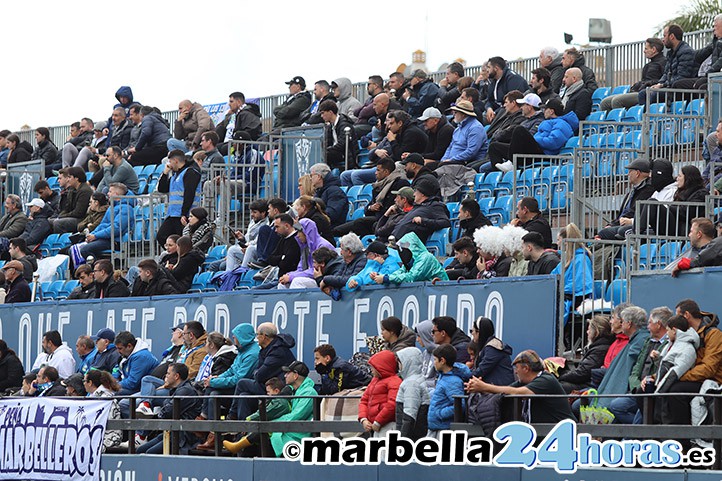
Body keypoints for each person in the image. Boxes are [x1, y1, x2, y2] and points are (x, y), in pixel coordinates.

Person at [658, 299, 722, 426]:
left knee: (676, 390)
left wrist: (678, 376)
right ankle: (655, 434)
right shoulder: (685, 335)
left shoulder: (714, 335)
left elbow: (709, 368)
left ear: (686, 315)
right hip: (691, 378)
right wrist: (654, 378)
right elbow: (673, 362)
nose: (675, 318)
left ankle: (681, 438)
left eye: (677, 315)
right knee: (647, 389)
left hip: (712, 381)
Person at [469, 349, 577, 423]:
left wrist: (484, 386)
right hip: (545, 434)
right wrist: (480, 388)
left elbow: (519, 393)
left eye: (517, 368)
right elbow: (506, 391)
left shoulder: (546, 379)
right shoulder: (524, 382)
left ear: (526, 369)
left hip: (564, 433)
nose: (515, 372)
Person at [227, 322, 295, 421]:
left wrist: (257, 373)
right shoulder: (267, 349)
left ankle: (231, 416)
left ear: (264, 336)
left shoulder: (277, 352)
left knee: (242, 383)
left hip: (276, 390)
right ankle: (243, 431)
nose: (256, 337)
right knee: (244, 397)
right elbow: (259, 372)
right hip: (266, 384)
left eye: (258, 334)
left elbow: (259, 375)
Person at [136, 363, 202, 454]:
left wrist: (158, 414)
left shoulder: (186, 391)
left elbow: (168, 412)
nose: (165, 377)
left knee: (149, 453)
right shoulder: (177, 390)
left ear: (176, 376)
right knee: (140, 450)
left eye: (168, 374)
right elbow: (166, 409)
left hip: (182, 437)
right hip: (170, 432)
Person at [202, 323, 260, 424]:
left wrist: (214, 382)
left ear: (242, 337)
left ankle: (209, 425)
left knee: (213, 392)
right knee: (213, 394)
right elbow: (231, 370)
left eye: (235, 337)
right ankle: (211, 429)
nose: (233, 340)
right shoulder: (243, 351)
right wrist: (217, 378)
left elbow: (238, 379)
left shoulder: (252, 354)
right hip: (234, 388)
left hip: (241, 389)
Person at [221, 377, 293, 454]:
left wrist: (248, 420)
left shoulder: (280, 402)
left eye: (268, 392)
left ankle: (237, 447)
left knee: (255, 431)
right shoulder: (278, 401)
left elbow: (263, 413)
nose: (267, 394)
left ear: (276, 391)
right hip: (271, 429)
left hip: (274, 431)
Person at [69, 183, 134, 265]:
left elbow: (116, 228)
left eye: (110, 191)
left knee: (85, 250)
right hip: (104, 238)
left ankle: (98, 269)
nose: (108, 194)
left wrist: (96, 236)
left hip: (115, 241)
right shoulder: (111, 208)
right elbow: (102, 225)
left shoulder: (126, 208)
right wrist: (91, 235)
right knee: (72, 249)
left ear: (116, 195)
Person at [600, 38, 666, 111]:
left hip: (647, 93)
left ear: (653, 49)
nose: (644, 51)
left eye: (646, 49)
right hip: (640, 91)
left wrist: (647, 84)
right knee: (605, 102)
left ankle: (623, 121)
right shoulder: (649, 65)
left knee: (617, 101)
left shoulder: (663, 62)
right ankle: (609, 122)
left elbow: (663, 80)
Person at [596, 158, 655, 240]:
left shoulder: (647, 190)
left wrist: (613, 225)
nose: (628, 175)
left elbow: (632, 212)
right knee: (599, 235)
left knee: (604, 233)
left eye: (630, 171)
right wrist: (611, 224)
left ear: (637, 173)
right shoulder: (633, 190)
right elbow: (622, 214)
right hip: (622, 223)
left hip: (629, 225)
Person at [643, 165, 707, 238]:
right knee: (645, 203)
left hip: (683, 229)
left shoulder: (701, 193)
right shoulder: (681, 192)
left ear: (688, 178)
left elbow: (688, 212)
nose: (677, 179)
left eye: (679, 176)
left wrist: (668, 207)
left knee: (652, 202)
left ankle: (637, 231)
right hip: (675, 225)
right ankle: (637, 231)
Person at [641, 24, 696, 105]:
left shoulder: (686, 52)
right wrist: (659, 84)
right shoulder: (670, 53)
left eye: (664, 36)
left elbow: (682, 76)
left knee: (652, 95)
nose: (663, 40)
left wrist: (663, 85)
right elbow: (666, 73)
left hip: (678, 90)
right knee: (643, 93)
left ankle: (649, 117)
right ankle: (645, 117)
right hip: (669, 87)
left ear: (672, 36)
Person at [156, 149, 202, 246]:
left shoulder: (190, 172)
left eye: (170, 161)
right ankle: (175, 256)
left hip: (184, 214)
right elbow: (162, 188)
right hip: (172, 214)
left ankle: (180, 258)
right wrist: (165, 173)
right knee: (161, 236)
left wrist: (184, 214)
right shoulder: (175, 174)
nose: (169, 164)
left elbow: (189, 194)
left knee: (183, 241)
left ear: (176, 161)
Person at [558, 316, 614, 393]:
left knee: (557, 386)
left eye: (589, 329)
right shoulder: (600, 347)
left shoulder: (599, 349)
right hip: (588, 382)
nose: (587, 332)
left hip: (588, 385)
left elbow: (583, 374)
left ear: (596, 332)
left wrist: (560, 376)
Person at [552, 223, 593, 323]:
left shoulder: (581, 259)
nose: (557, 244)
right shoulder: (565, 261)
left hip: (575, 301)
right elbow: (552, 277)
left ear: (566, 242)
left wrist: (560, 291)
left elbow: (581, 286)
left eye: (558, 240)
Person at [371, 232, 448, 285]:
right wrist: (380, 276)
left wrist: (386, 279)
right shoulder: (410, 262)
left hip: (441, 291)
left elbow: (411, 277)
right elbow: (398, 273)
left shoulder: (426, 258)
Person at [427, 344, 471, 436]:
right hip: (436, 427)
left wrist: (440, 414)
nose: (434, 362)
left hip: (443, 430)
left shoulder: (453, 381)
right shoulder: (442, 377)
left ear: (442, 361)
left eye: (435, 359)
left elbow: (459, 405)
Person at [358, 350, 402, 437]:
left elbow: (392, 404)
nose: (371, 370)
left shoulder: (394, 381)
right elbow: (364, 400)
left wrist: (378, 422)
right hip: (375, 426)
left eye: (373, 367)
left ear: (381, 367)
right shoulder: (374, 380)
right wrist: (363, 419)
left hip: (387, 426)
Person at [395, 347, 430, 440]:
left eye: (400, 362)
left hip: (411, 437)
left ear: (407, 362)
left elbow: (409, 416)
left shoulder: (411, 383)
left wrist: (402, 440)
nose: (398, 366)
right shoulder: (416, 379)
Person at [84, 369, 123, 452]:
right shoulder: (94, 396)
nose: (83, 384)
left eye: (84, 381)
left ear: (90, 383)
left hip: (109, 438)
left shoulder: (104, 398)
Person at [438, 100, 488, 165]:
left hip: (466, 164)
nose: (453, 115)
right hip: (452, 162)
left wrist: (451, 160)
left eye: (455, 112)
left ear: (463, 114)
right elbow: (450, 147)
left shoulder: (476, 128)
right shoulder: (457, 129)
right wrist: (443, 160)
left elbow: (471, 152)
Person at [469, 316, 514, 386]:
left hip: (500, 392)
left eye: (472, 331)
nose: (472, 333)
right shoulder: (486, 347)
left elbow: (481, 370)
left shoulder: (493, 348)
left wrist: (463, 375)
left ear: (479, 332)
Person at [484, 57, 530, 123]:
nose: (487, 70)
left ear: (496, 68)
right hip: (497, 112)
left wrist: (495, 113)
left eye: (489, 67)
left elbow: (514, 102)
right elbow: (489, 100)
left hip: (509, 114)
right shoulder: (493, 81)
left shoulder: (513, 78)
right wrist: (489, 109)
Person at [114, 330, 160, 395]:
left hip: (143, 390)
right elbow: (117, 369)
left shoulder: (141, 357)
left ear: (129, 346)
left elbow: (132, 383)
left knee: (112, 393)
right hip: (133, 387)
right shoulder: (126, 354)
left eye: (120, 348)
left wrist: (113, 385)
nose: (118, 351)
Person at [318, 99, 358, 170]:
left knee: (323, 154)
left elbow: (342, 145)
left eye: (323, 113)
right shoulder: (330, 126)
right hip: (336, 152)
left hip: (345, 154)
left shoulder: (344, 124)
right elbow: (327, 142)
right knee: (319, 153)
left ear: (330, 112)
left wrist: (327, 150)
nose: (321, 116)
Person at [52, 167, 93, 234]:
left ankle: (67, 241)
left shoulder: (85, 191)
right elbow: (67, 208)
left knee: (58, 223)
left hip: (82, 219)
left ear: (76, 178)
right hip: (73, 216)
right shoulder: (72, 189)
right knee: (49, 221)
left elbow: (79, 213)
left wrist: (63, 216)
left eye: (70, 177)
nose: (68, 180)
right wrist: (60, 215)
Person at [309, 163, 348, 227]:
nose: (310, 179)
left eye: (311, 175)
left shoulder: (335, 192)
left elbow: (331, 214)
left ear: (319, 176)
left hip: (331, 229)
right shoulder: (320, 191)